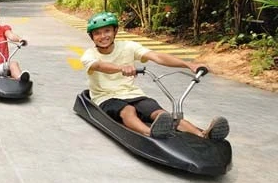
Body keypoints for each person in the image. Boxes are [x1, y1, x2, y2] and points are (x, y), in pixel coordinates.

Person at [81, 11, 229, 139]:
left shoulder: (129, 46)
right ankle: (149, 133)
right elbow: (99, 66)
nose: (103, 36)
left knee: (159, 113)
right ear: (92, 37)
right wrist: (121, 68)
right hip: (106, 97)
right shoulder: (89, 54)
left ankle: (202, 134)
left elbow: (157, 56)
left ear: (115, 31)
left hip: (132, 94)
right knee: (128, 110)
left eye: (107, 31)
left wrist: (189, 65)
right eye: (97, 33)